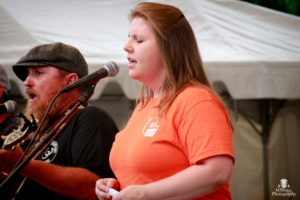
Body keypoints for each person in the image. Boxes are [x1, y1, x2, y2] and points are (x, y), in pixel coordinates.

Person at [95, 2, 234, 200]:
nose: (126, 47)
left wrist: (144, 193)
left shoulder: (196, 100)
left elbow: (216, 171)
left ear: (169, 48)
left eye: (139, 40)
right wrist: (115, 185)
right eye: (129, 39)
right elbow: (146, 175)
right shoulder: (144, 105)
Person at [0, 42, 119, 199]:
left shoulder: (91, 118)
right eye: (28, 74)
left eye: (38, 73)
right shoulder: (40, 129)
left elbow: (95, 187)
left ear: (70, 81)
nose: (26, 82)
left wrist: (22, 164)